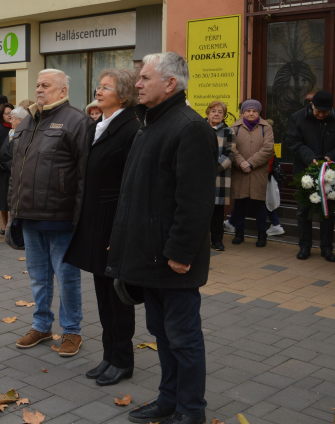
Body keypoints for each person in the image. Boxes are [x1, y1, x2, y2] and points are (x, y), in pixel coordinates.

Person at [107, 52, 216, 424]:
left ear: (171, 84)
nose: (136, 84)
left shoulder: (191, 128)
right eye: (138, 78)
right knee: (162, 335)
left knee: (183, 338)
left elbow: (196, 201)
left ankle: (191, 410)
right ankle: (168, 400)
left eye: (145, 78)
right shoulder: (149, 125)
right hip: (149, 259)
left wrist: (181, 252)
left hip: (172, 260)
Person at [64, 68, 141, 386]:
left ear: (123, 95)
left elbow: (130, 186)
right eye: (99, 86)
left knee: (118, 297)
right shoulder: (99, 124)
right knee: (102, 293)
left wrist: (120, 232)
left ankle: (123, 360)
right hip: (94, 221)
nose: (98, 91)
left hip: (113, 224)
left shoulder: (131, 128)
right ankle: (109, 356)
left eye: (106, 87)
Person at [9, 69, 90, 357]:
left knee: (67, 277)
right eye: (38, 85)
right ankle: (42, 325)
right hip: (29, 217)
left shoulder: (76, 121)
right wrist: (12, 210)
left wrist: (80, 219)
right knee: (38, 277)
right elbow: (16, 172)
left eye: (46, 85)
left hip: (61, 218)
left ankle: (72, 331)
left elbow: (85, 176)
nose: (40, 89)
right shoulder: (27, 121)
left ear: (63, 91)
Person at [286, 90, 335, 261]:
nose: (321, 115)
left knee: (328, 211)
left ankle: (326, 248)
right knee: (303, 211)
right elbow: (293, 142)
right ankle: (304, 246)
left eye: (325, 112)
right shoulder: (298, 117)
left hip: (329, 173)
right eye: (318, 111)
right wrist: (311, 158)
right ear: (311, 105)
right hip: (305, 170)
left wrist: (331, 156)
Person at [229, 100, 274, 247]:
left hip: (258, 171)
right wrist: (242, 163)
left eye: (254, 111)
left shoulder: (266, 127)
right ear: (242, 113)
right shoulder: (234, 127)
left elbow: (268, 149)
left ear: (259, 113)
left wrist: (250, 163)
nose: (250, 113)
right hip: (239, 171)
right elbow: (231, 148)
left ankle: (262, 235)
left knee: (259, 205)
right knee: (240, 203)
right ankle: (239, 233)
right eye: (247, 111)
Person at [206, 101, 236, 252]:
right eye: (213, 111)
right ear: (208, 113)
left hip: (219, 176)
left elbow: (230, 153)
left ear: (224, 116)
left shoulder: (228, 131)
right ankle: (202, 240)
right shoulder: (200, 128)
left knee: (217, 212)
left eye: (220, 112)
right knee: (202, 209)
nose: (216, 114)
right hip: (200, 176)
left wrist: (214, 167)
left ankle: (217, 240)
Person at [0, 106, 28, 235]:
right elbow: (2, 151)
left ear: (20, 120)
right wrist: (0, 164)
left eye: (12, 118)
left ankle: (14, 227)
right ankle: (5, 225)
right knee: (3, 200)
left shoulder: (25, 135)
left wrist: (6, 163)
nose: (10, 121)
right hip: (5, 173)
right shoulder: (10, 133)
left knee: (14, 201)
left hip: (15, 174)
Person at [0, 103, 14, 234]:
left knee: (12, 198)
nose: (9, 116)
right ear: (2, 115)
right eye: (6, 113)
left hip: (13, 168)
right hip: (2, 167)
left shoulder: (18, 128)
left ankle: (12, 222)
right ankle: (4, 223)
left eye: (11, 113)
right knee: (2, 198)